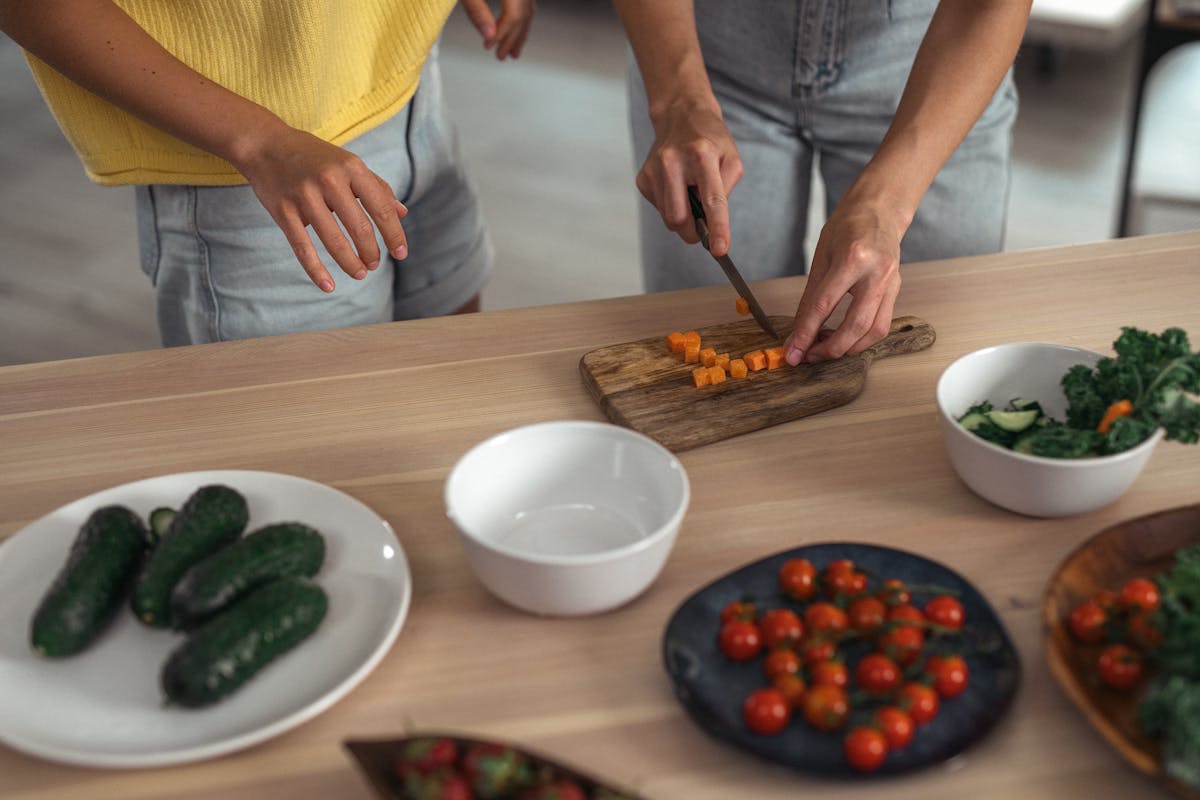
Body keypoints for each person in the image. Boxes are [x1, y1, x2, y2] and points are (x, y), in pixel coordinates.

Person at [0, 0, 535, 346]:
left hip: (411, 83)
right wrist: (257, 141)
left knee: (457, 380)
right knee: (313, 469)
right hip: (252, 170)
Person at [612, 0, 1032, 365]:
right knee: (702, 319)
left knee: (934, 355)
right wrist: (678, 100)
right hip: (708, 52)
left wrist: (886, 203)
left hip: (935, 59)